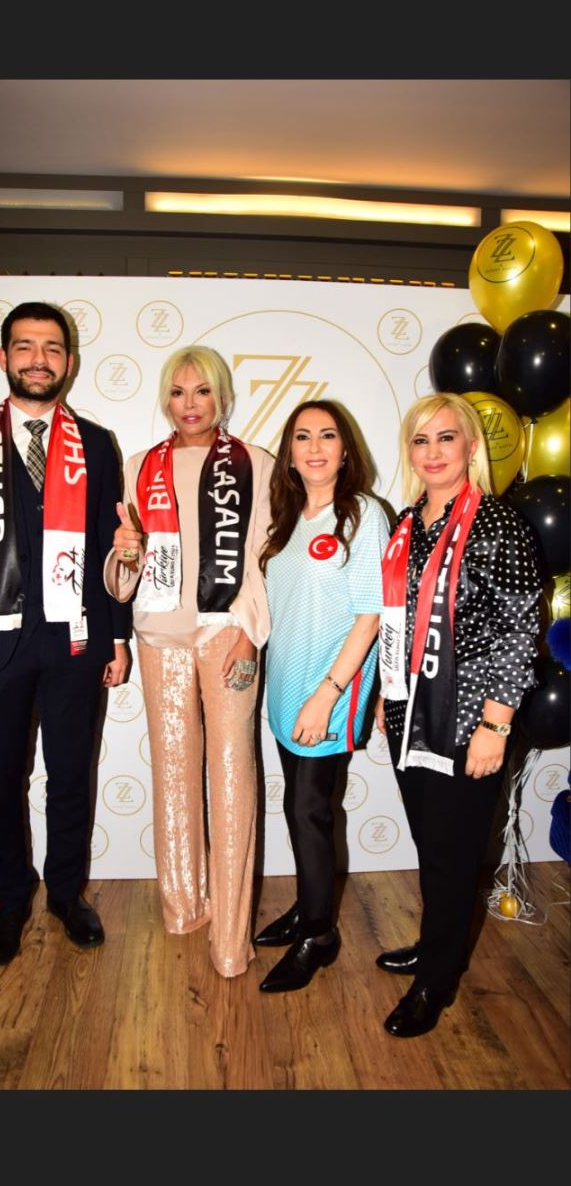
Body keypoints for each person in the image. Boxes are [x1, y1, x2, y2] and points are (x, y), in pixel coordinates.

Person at [0, 301, 131, 967]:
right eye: (25, 346)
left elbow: (110, 547)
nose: (38, 360)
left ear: (69, 361)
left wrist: (118, 637)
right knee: (0, 776)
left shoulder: (96, 443)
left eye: (51, 348)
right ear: (4, 357)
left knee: (71, 773)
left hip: (76, 639)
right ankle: (11, 898)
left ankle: (66, 893)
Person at [374, 391, 542, 1037]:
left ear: (471, 446)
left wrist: (495, 726)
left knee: (452, 852)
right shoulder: (406, 524)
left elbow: (519, 629)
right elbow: (397, 618)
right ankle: (434, 944)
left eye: (446, 437)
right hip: (409, 714)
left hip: (469, 720)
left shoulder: (497, 524)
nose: (433, 451)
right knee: (432, 844)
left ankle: (435, 982)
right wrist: (388, 695)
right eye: (421, 440)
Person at [105, 345, 273, 978]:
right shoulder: (139, 466)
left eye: (202, 391)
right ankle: (183, 907)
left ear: (222, 397)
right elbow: (123, 580)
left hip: (228, 633)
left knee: (232, 778)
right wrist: (124, 551)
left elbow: (265, 558)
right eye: (177, 392)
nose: (190, 404)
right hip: (159, 637)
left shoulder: (256, 464)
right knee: (174, 776)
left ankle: (230, 939)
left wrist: (250, 632)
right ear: (165, 400)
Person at [253, 399, 390, 993]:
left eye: (327, 435)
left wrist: (327, 695)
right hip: (287, 686)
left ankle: (319, 935)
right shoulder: (287, 519)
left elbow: (369, 617)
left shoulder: (360, 513)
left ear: (345, 449)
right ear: (289, 453)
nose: (314, 447)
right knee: (298, 807)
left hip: (330, 689)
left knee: (310, 809)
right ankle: (309, 907)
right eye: (302, 436)